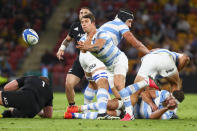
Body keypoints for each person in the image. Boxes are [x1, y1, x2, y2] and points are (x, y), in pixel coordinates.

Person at [76, 13, 160, 121]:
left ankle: (130, 114)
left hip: (118, 60)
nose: (83, 24)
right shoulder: (86, 37)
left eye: (86, 22)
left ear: (93, 23)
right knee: (119, 96)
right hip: (108, 67)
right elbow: (84, 49)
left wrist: (148, 53)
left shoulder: (103, 32)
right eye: (82, 22)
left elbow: (98, 46)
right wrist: (88, 42)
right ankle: (145, 83)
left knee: (119, 85)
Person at [64, 89, 184, 120]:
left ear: (175, 104)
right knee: (111, 105)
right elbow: (145, 93)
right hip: (130, 103)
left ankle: (74, 116)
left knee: (109, 114)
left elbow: (152, 117)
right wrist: (152, 104)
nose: (169, 99)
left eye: (171, 100)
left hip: (131, 115)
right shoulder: (163, 93)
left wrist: (166, 108)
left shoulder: (169, 113)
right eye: (170, 96)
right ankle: (78, 108)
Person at [56, 7, 92, 107]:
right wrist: (61, 49)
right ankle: (72, 107)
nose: (83, 14)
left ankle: (114, 106)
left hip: (95, 60)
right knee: (68, 83)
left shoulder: (96, 28)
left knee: (100, 85)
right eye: (81, 13)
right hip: (81, 60)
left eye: (86, 13)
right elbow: (68, 39)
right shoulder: (75, 26)